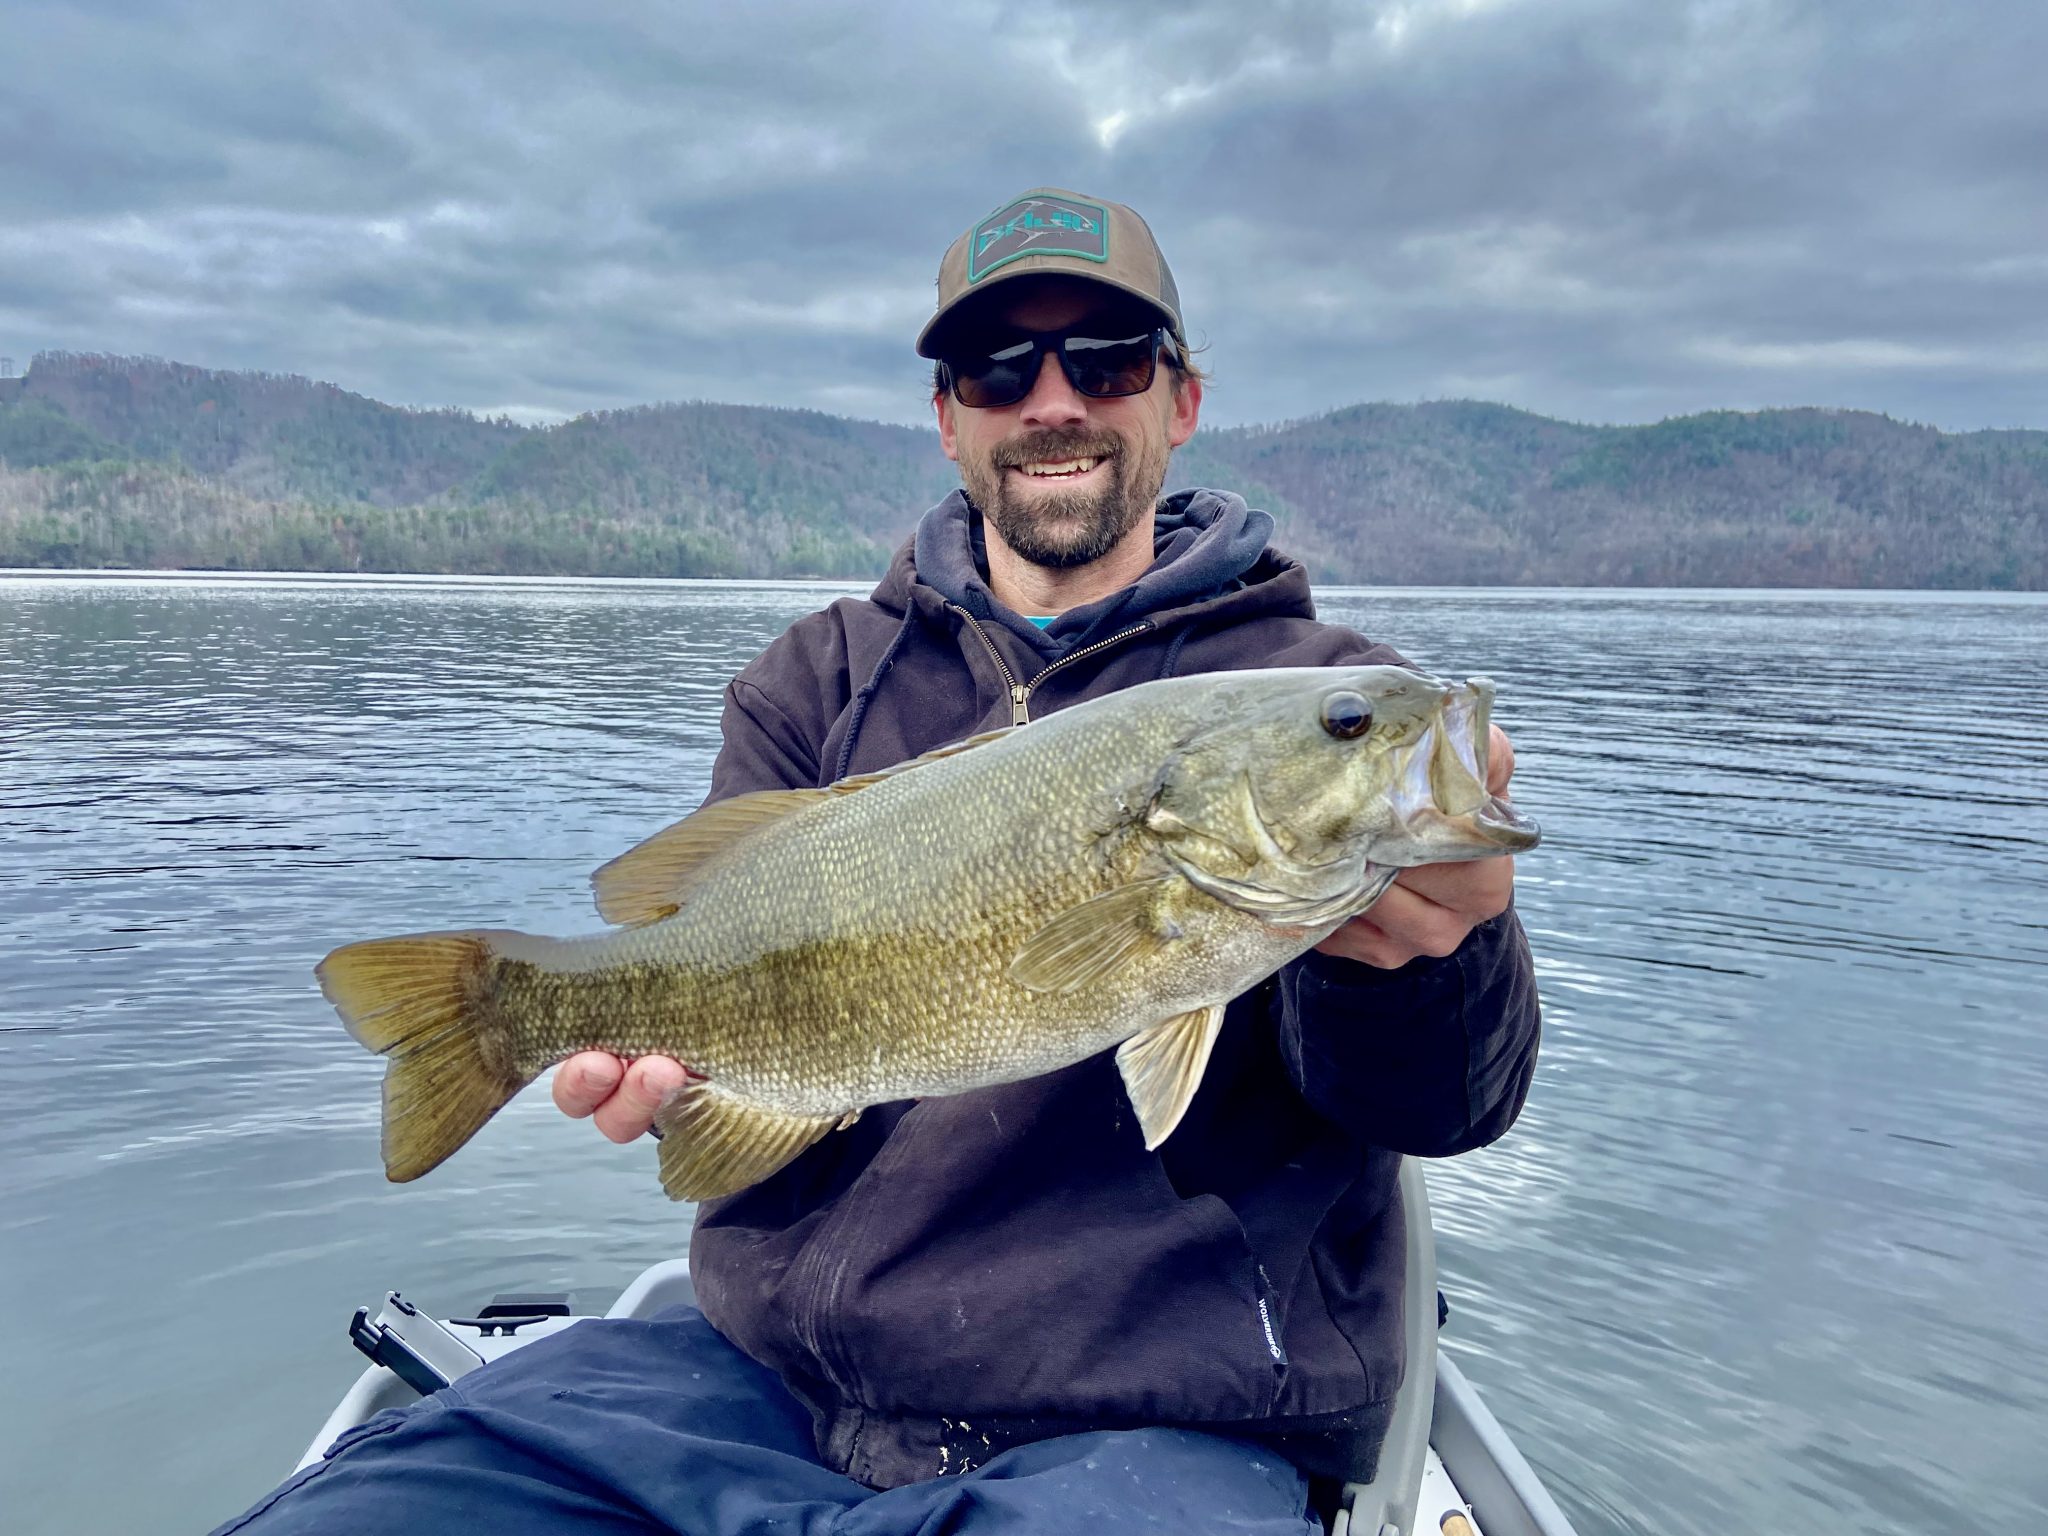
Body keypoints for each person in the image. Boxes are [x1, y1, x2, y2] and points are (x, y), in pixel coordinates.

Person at [211, 188, 1539, 1535]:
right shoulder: (814, 685)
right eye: (998, 368)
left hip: (1154, 1428)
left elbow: (1438, 1108)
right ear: (950, 417)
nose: (1053, 401)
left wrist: (1430, 959)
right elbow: (723, 1014)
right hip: (760, 1388)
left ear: (1179, 401)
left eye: (1109, 359)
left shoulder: (1315, 688)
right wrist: (678, 1091)